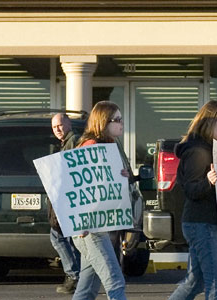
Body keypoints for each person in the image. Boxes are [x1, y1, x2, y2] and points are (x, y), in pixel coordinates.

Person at [168, 100, 217, 300]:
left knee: (195, 282)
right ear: (211, 121)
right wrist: (209, 182)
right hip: (202, 223)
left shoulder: (209, 149)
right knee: (216, 281)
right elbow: (191, 190)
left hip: (202, 222)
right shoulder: (199, 151)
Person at [71, 101, 128, 300]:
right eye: (117, 120)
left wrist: (121, 176)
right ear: (104, 122)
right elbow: (81, 187)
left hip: (96, 225)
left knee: (87, 288)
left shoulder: (108, 146)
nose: (122, 124)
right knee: (115, 281)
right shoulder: (91, 146)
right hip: (91, 227)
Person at [48, 113, 81, 293]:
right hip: (66, 199)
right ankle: (77, 276)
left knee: (58, 236)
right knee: (67, 237)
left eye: (60, 125)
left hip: (70, 199)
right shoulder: (65, 143)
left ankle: (74, 275)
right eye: (54, 127)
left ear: (68, 123)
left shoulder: (73, 141)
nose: (58, 129)